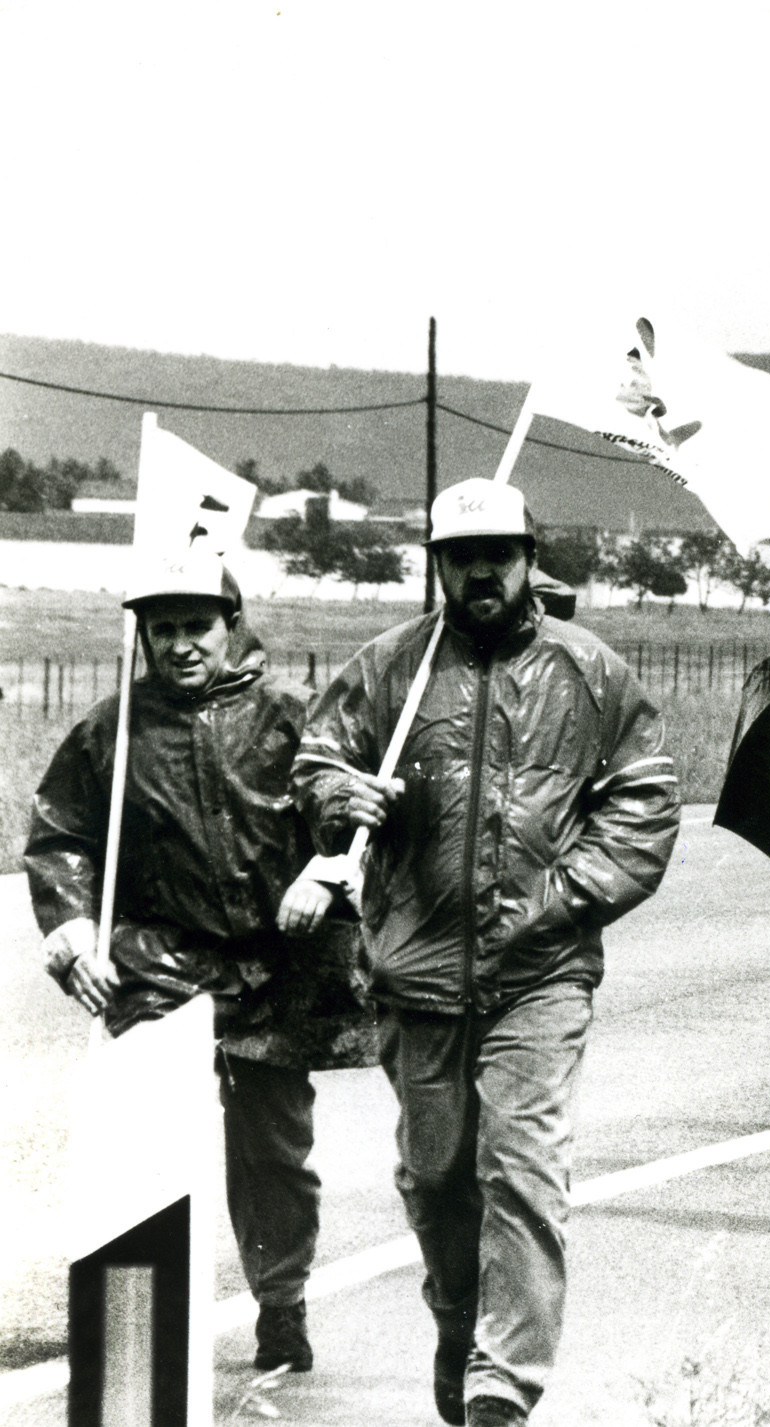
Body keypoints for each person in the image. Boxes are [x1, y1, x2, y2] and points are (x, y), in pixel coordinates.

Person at [292, 479, 680, 1427]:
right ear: (436, 563)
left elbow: (645, 798)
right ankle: (458, 1320)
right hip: (417, 973)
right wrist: (345, 799)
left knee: (523, 1169)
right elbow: (313, 762)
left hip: (540, 975)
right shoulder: (392, 669)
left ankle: (502, 1388)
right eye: (460, 556)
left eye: (498, 553)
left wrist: (564, 896)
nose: (480, 571)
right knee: (438, 1178)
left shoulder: (589, 672)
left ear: (528, 555)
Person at [28, 554, 374, 1377]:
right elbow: (59, 837)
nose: (182, 644)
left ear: (231, 625)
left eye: (197, 626)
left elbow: (342, 809)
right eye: (164, 628)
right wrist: (73, 927)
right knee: (140, 1142)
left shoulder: (292, 716)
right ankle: (133, 1336)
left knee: (273, 1151)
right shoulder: (109, 730)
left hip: (277, 967)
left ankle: (281, 1305)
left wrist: (328, 867)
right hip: (157, 962)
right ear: (143, 635)